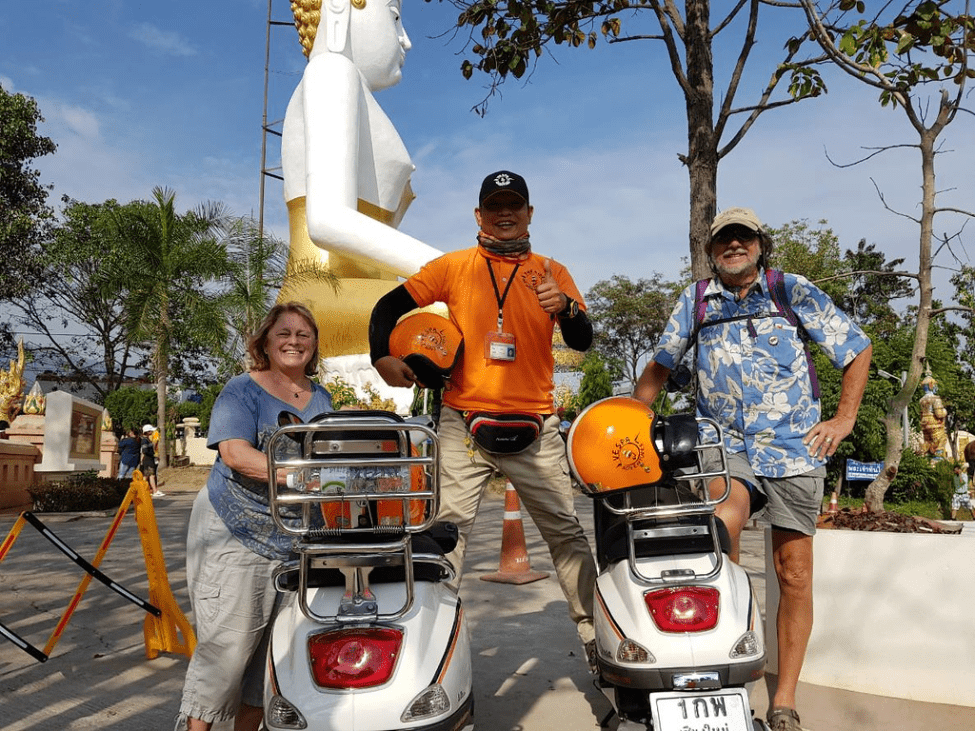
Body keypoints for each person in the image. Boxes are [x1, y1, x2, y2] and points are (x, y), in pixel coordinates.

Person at [633, 207, 872, 731]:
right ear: (712, 250)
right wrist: (629, 421)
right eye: (724, 240)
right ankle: (726, 677)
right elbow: (661, 365)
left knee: (795, 574)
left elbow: (855, 348)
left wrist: (843, 419)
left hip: (794, 447)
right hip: (725, 446)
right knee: (723, 531)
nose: (733, 246)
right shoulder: (697, 300)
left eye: (743, 237)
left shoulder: (791, 291)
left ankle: (783, 699)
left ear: (760, 245)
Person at [369, 170, 598, 667]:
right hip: (463, 421)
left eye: (514, 204)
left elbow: (583, 340)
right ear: (479, 215)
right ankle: (429, 648)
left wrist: (568, 310)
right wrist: (380, 357)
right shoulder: (452, 267)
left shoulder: (551, 271)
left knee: (566, 533)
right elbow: (390, 305)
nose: (504, 213)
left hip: (536, 424)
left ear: (530, 214)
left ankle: (598, 637)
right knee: (444, 534)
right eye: (494, 206)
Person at [175, 302, 332, 731]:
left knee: (273, 660)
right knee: (226, 652)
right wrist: (302, 478)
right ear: (265, 341)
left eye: (304, 334)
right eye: (284, 333)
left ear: (315, 345)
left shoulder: (322, 398)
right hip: (234, 531)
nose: (294, 341)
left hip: (294, 542)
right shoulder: (242, 389)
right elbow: (234, 453)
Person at [280, 0, 440, 365]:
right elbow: (327, 222)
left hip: (368, 290)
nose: (406, 40)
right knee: (455, 316)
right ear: (340, 7)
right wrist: (457, 272)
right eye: (395, 18)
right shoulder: (331, 71)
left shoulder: (348, 85)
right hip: (327, 291)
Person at [140, 424, 163, 497]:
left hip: (148, 459)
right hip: (148, 460)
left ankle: (143, 490)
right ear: (147, 432)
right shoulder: (145, 441)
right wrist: (153, 454)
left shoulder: (147, 439)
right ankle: (155, 491)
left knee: (146, 476)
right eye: (150, 431)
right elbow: (145, 450)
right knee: (151, 475)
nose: (151, 432)